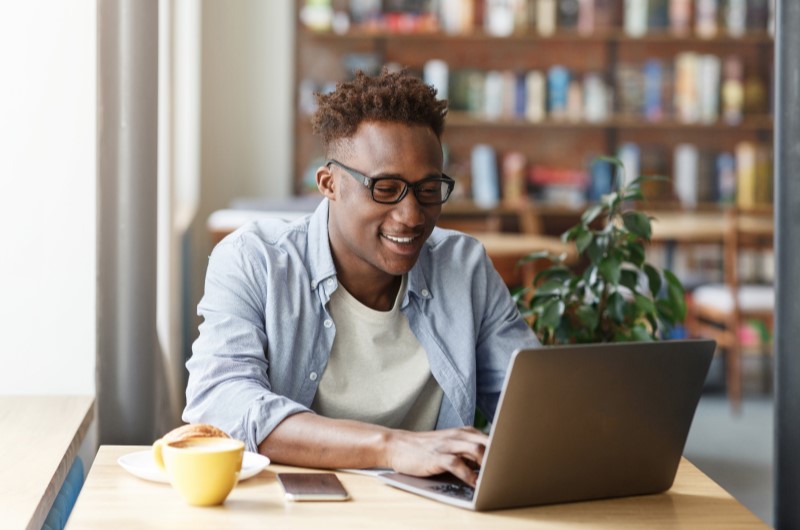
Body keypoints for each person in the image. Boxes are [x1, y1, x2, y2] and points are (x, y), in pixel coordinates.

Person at [184, 68, 539, 486]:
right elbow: (221, 403)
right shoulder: (254, 261)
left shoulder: (464, 267)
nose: (411, 216)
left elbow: (529, 406)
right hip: (292, 510)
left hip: (428, 512)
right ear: (329, 183)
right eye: (386, 189)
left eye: (428, 190)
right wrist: (390, 446)